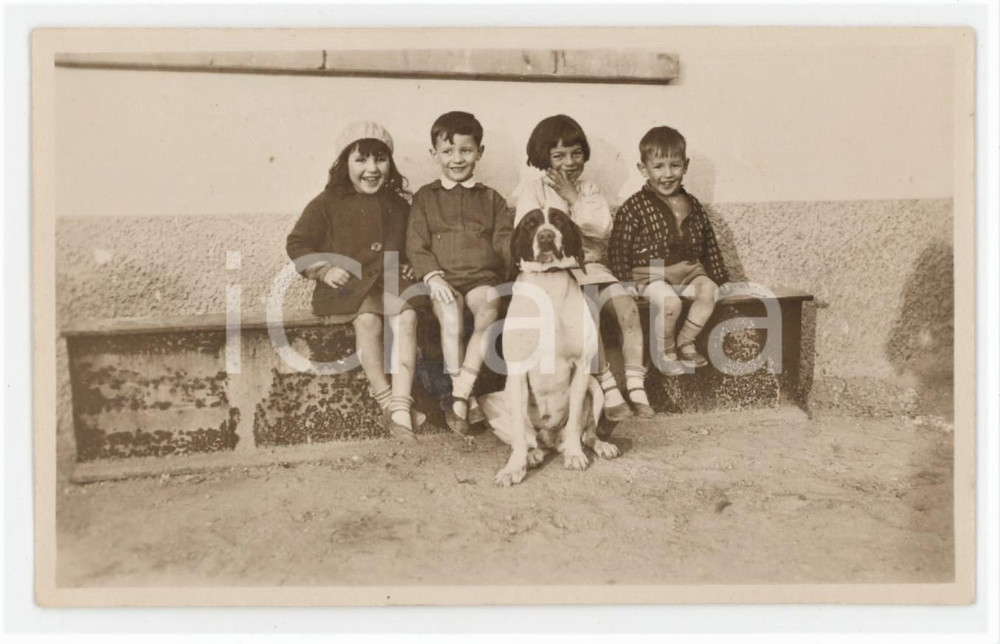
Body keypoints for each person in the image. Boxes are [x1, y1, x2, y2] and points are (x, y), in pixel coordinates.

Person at [286, 121, 421, 440]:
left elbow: (413, 242)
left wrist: (410, 264)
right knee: (369, 322)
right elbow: (297, 243)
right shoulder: (326, 203)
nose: (372, 169)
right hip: (349, 286)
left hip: (388, 281)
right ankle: (385, 398)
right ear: (344, 164)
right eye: (361, 160)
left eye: (380, 159)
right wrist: (323, 269)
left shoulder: (398, 204)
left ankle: (401, 402)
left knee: (409, 316)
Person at [514, 114, 653, 419]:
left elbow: (600, 228)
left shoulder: (588, 190)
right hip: (559, 274)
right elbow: (530, 240)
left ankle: (635, 384)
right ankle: (607, 385)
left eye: (576, 153)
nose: (569, 162)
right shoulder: (533, 191)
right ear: (544, 157)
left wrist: (573, 197)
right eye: (559, 155)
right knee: (587, 314)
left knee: (626, 308)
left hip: (594, 268)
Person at [406, 111, 513, 435]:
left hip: (481, 279)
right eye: (448, 151)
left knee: (489, 308)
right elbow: (416, 243)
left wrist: (520, 262)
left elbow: (504, 242)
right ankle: (462, 390)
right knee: (450, 316)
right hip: (444, 280)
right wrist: (432, 276)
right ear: (434, 154)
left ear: (479, 152)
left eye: (466, 151)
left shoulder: (491, 198)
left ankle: (460, 394)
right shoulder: (426, 197)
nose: (457, 159)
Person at [609, 125, 730, 375]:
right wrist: (624, 281)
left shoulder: (692, 204)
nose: (667, 174)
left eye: (674, 165)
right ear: (643, 169)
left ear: (685, 166)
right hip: (650, 274)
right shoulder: (634, 206)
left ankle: (685, 340)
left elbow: (708, 241)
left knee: (709, 292)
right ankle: (664, 351)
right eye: (658, 166)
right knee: (670, 302)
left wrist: (718, 276)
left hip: (687, 272)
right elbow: (619, 245)